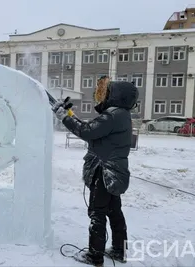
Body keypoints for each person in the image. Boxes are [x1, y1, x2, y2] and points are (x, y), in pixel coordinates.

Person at [53, 77, 139, 266]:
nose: (106, 95)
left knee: (97, 212)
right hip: (114, 172)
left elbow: (86, 131)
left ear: (116, 95)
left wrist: (64, 117)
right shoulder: (121, 114)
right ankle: (119, 250)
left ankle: (95, 255)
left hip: (104, 171)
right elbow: (92, 129)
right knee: (114, 211)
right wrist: (68, 112)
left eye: (109, 92)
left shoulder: (112, 115)